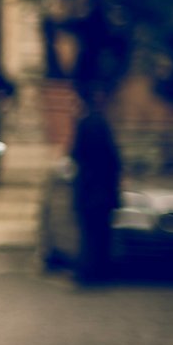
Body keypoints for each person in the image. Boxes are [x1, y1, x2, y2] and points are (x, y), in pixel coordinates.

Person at [70, 93, 121, 284]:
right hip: (103, 189)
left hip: (89, 188)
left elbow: (76, 153)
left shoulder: (85, 124)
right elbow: (113, 158)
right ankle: (100, 271)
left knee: (89, 232)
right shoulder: (102, 124)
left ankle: (89, 272)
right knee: (101, 232)